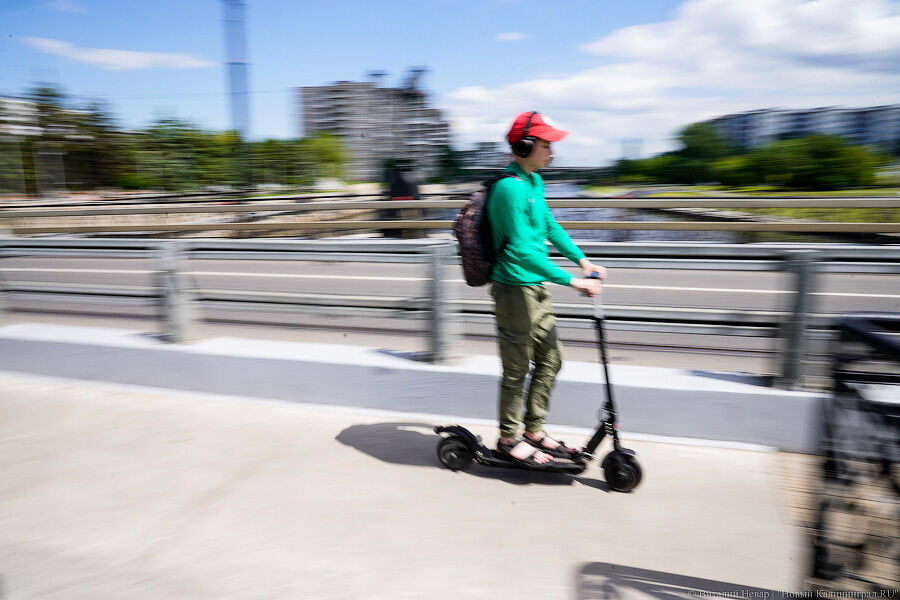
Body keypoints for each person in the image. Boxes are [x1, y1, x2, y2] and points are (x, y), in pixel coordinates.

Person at [486, 111, 606, 466]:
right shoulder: (509, 188)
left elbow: (550, 227)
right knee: (516, 369)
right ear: (524, 146)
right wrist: (572, 281)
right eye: (545, 144)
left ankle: (534, 431)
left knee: (551, 360)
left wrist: (582, 261)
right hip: (514, 289)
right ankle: (509, 438)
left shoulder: (533, 182)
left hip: (535, 287)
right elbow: (522, 251)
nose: (551, 151)